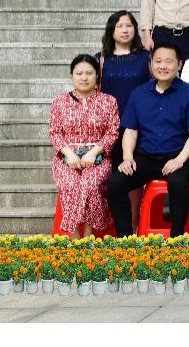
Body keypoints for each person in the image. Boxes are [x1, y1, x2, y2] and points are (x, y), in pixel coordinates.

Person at [106, 44, 189, 237]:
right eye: (158, 61)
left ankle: (176, 238)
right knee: (115, 183)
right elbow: (130, 131)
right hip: (147, 157)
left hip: (178, 156)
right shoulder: (139, 93)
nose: (163, 66)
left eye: (169, 61)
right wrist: (127, 157)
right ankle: (125, 239)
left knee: (177, 182)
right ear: (151, 64)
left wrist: (179, 160)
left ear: (179, 64)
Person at [48, 54, 120, 239]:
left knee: (90, 184)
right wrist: (69, 154)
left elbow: (112, 132)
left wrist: (94, 153)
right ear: (72, 76)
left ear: (97, 75)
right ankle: (74, 238)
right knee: (71, 184)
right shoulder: (60, 102)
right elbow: (54, 132)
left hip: (97, 157)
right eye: (79, 73)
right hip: (67, 158)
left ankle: (88, 236)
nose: (84, 77)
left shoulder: (108, 101)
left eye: (89, 73)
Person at [96, 10, 151, 168]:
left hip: (141, 123)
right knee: (112, 169)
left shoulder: (147, 57)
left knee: (136, 169)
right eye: (119, 26)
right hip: (110, 124)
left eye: (129, 25)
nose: (125, 30)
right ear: (111, 30)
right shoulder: (101, 59)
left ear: (135, 28)